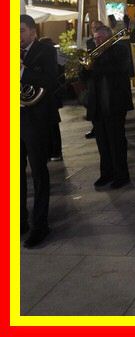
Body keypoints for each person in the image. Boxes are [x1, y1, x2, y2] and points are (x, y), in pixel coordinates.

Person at [20, 14, 59, 248]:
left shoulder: (45, 51)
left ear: (33, 31)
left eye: (22, 30)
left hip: (36, 120)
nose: (17, 35)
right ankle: (20, 221)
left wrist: (22, 72)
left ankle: (40, 225)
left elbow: (51, 80)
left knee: (39, 173)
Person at [81, 25, 133, 189]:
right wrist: (83, 67)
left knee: (117, 142)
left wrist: (94, 66)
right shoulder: (92, 54)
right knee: (102, 143)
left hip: (115, 104)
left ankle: (121, 175)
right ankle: (106, 174)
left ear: (109, 37)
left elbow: (121, 69)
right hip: (97, 105)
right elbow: (84, 77)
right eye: (96, 38)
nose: (98, 41)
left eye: (101, 37)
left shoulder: (120, 49)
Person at [39, 37, 63, 161]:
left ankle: (55, 151)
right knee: (51, 126)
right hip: (49, 98)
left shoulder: (48, 55)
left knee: (52, 126)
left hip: (50, 97)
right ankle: (53, 151)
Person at [84, 20, 104, 139]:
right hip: (93, 82)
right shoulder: (89, 42)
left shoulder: (115, 47)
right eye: (93, 28)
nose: (94, 29)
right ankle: (95, 128)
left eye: (97, 27)